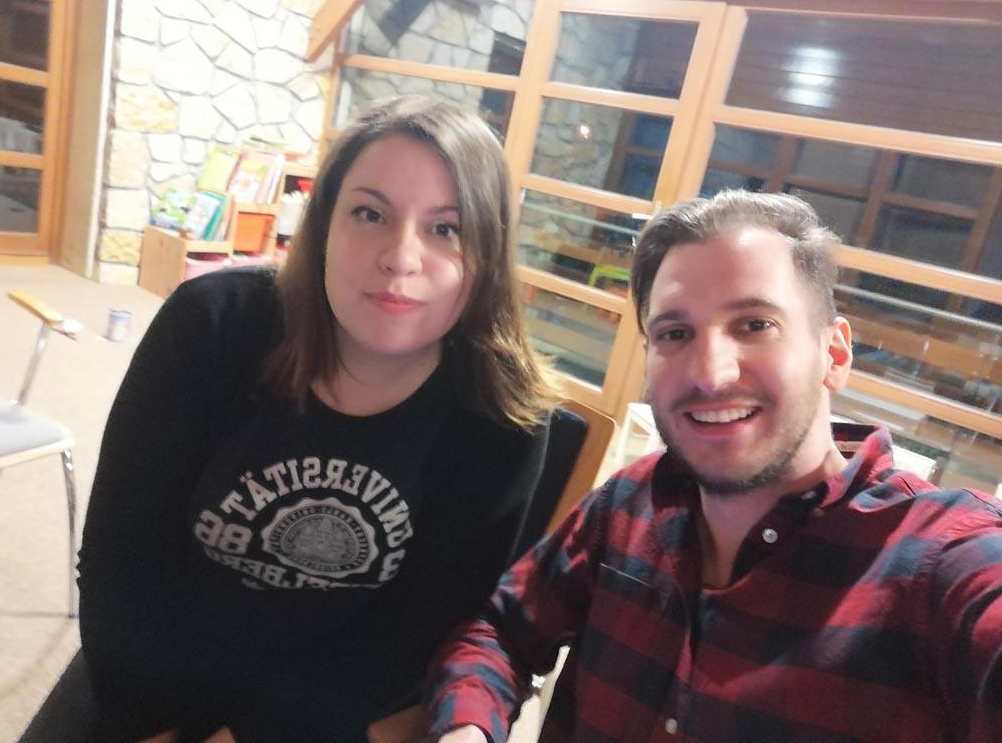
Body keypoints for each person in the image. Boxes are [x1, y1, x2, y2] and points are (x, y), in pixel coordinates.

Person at [427, 189, 1002, 743]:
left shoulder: (941, 563)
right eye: (675, 333)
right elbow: (499, 632)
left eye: (754, 325)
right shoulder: (630, 502)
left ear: (833, 354)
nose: (710, 373)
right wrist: (468, 728)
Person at [76, 97, 559, 743]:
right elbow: (122, 558)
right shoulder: (211, 324)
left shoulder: (503, 415)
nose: (401, 257)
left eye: (446, 228)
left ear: (487, 257)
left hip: (324, 709)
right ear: (323, 224)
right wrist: (150, 725)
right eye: (370, 214)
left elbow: (416, 630)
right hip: (154, 677)